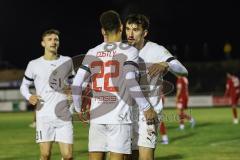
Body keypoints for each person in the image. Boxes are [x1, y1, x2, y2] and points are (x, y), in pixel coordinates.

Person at [72, 10, 156, 160]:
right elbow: (130, 80)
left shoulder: (93, 51)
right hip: (119, 117)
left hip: (97, 116)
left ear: (103, 30)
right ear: (121, 27)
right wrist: (147, 107)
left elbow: (77, 84)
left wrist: (79, 109)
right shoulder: (130, 51)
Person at [124, 14, 188, 160]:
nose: (130, 33)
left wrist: (167, 64)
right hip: (126, 114)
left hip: (149, 114)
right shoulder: (122, 51)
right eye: (128, 29)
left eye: (135, 29)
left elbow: (183, 71)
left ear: (144, 33)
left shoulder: (157, 50)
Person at [20, 29, 74, 160]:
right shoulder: (33, 64)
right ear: (43, 43)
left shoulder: (67, 61)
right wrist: (29, 96)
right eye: (49, 39)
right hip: (44, 116)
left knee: (68, 156)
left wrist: (72, 92)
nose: (53, 42)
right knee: (45, 155)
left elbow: (74, 84)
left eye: (56, 39)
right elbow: (24, 86)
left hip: (64, 116)